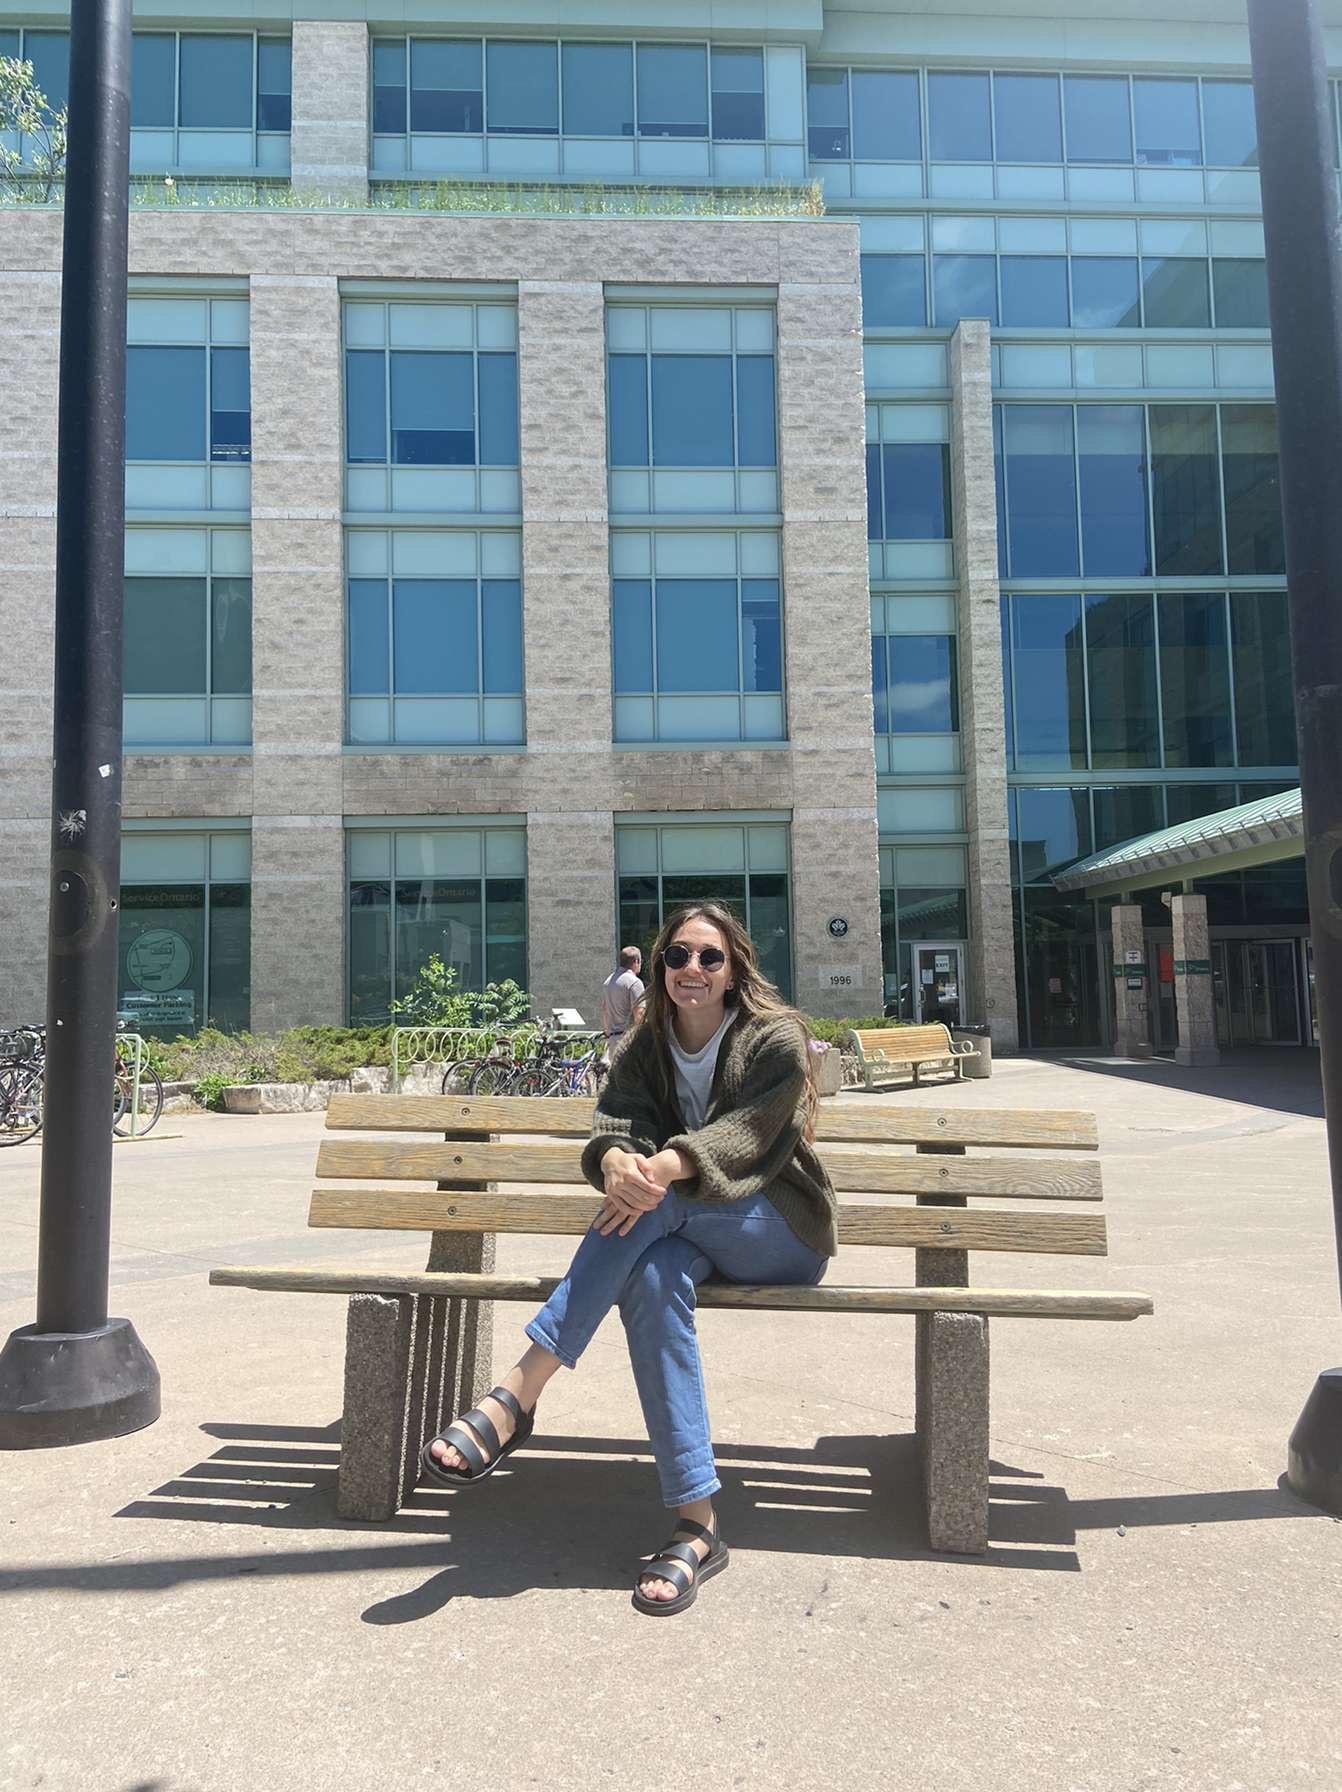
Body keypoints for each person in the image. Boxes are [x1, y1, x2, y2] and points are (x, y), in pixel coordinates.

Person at [420, 901, 837, 1616]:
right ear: (660, 965)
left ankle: (516, 1395)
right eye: (678, 956)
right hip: (683, 1232)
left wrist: (661, 1168)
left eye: (710, 956)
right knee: (649, 1273)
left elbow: (748, 1139)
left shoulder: (776, 1039)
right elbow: (617, 1121)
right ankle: (699, 1524)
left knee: (658, 1198)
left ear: (735, 967)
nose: (692, 970)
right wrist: (614, 1157)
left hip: (780, 1233)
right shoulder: (648, 1043)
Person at [600, 945, 644, 1051]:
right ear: (636, 961)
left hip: (612, 1040)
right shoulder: (634, 982)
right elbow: (639, 1014)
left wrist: (608, 1034)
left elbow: (604, 1010)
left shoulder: (608, 981)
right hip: (629, 1041)